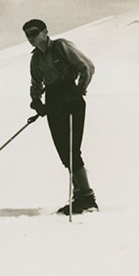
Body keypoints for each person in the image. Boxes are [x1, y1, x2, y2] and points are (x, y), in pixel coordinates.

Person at [22, 19, 98, 215]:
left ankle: (87, 199)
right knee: (64, 152)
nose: (31, 37)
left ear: (45, 31)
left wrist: (79, 91)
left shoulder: (61, 46)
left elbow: (87, 67)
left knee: (72, 150)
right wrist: (37, 101)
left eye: (34, 32)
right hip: (54, 101)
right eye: (27, 34)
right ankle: (80, 197)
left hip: (70, 98)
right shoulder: (36, 59)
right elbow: (36, 83)